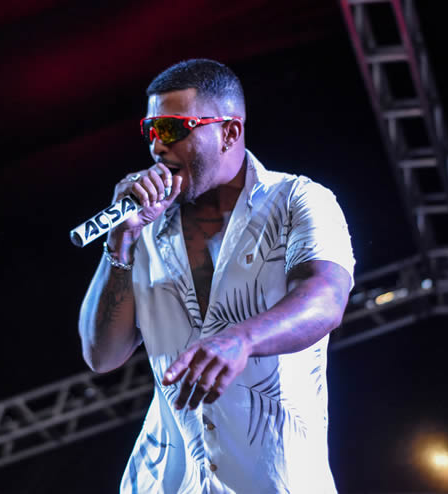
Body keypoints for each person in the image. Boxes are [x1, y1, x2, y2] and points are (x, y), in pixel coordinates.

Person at [78, 59, 355, 493]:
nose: (157, 146)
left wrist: (242, 339)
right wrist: (120, 243)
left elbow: (326, 298)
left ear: (229, 132)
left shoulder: (298, 200)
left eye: (173, 129)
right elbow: (102, 355)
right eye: (151, 130)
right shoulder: (144, 227)